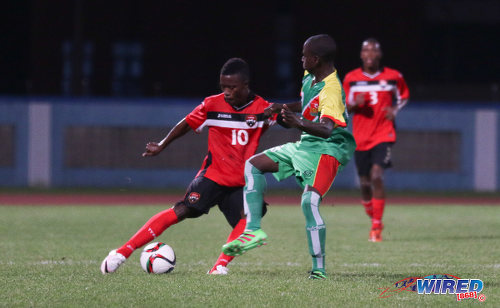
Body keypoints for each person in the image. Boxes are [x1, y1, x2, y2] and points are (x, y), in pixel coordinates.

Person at [101, 58, 275, 275]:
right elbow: (186, 123)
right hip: (213, 175)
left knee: (250, 218)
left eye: (232, 87)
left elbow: (291, 114)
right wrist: (163, 145)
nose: (227, 92)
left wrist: (300, 105)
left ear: (246, 84)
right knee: (183, 210)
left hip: (241, 181)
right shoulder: (212, 104)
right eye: (223, 87)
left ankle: (219, 266)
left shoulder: (263, 108)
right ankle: (121, 253)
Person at [222, 34, 356, 280]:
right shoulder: (311, 76)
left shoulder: (332, 89)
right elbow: (306, 104)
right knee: (253, 165)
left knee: (309, 202)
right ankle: (253, 230)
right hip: (306, 145)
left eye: (305, 55)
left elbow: (327, 129)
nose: (301, 58)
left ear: (315, 59)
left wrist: (298, 123)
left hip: (327, 150)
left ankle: (319, 269)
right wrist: (281, 107)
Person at [342, 38, 410, 242]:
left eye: (374, 51)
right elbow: (343, 108)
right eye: (366, 51)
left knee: (377, 175)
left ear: (379, 55)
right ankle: (373, 213)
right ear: (361, 55)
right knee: (364, 183)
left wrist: (395, 109)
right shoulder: (351, 79)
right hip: (361, 137)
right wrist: (354, 104)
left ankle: (376, 227)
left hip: (384, 134)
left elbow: (404, 96)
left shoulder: (393, 77)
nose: (370, 54)